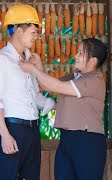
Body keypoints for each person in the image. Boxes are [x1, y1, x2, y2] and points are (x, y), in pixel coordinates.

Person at [20, 38, 108, 180]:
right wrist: (39, 66)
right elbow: (48, 86)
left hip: (88, 142)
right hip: (66, 140)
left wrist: (34, 70)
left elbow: (57, 86)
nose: (76, 56)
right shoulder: (74, 77)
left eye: (80, 53)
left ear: (93, 61)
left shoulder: (94, 81)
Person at [0, 4, 54, 180]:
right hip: (13, 129)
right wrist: (5, 135)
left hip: (33, 130)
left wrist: (49, 103)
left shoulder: (30, 60)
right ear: (18, 31)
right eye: (33, 32)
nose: (36, 37)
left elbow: (34, 96)